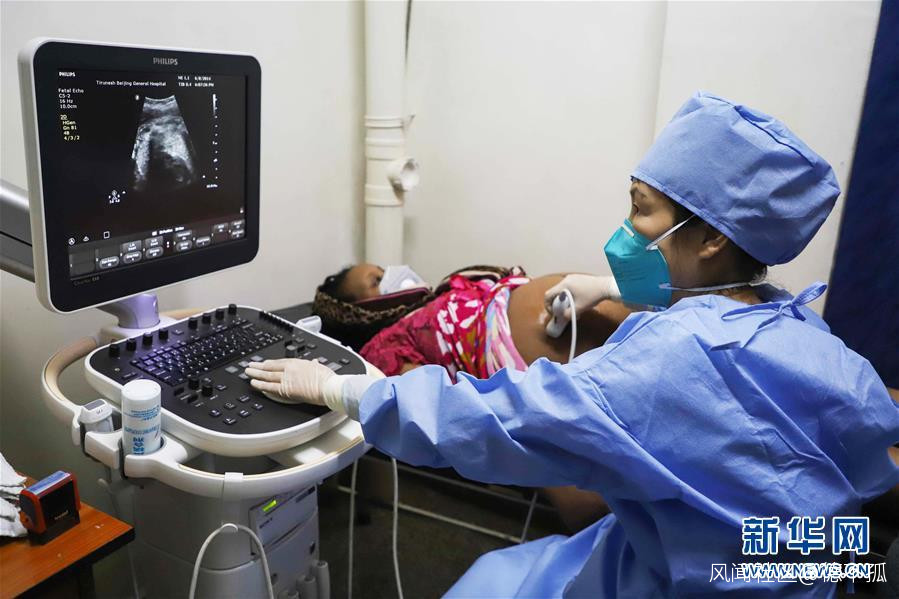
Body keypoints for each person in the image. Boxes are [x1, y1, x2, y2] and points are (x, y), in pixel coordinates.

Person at [247, 92, 899, 596]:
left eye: (640, 208)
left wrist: (348, 389)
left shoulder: (668, 360)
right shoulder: (801, 330)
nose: (626, 228)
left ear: (710, 240)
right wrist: (610, 289)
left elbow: (499, 421)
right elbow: (867, 462)